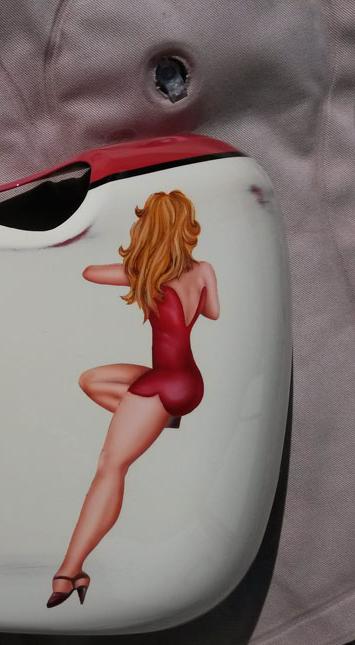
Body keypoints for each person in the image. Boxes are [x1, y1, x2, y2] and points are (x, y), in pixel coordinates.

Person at [48, 190, 220, 609]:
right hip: (189, 381)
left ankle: (70, 570)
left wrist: (137, 268)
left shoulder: (147, 275)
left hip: (161, 385)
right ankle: (159, 420)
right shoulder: (203, 270)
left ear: (147, 229)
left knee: (111, 467)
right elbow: (213, 312)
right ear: (187, 229)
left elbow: (89, 272)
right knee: (93, 380)